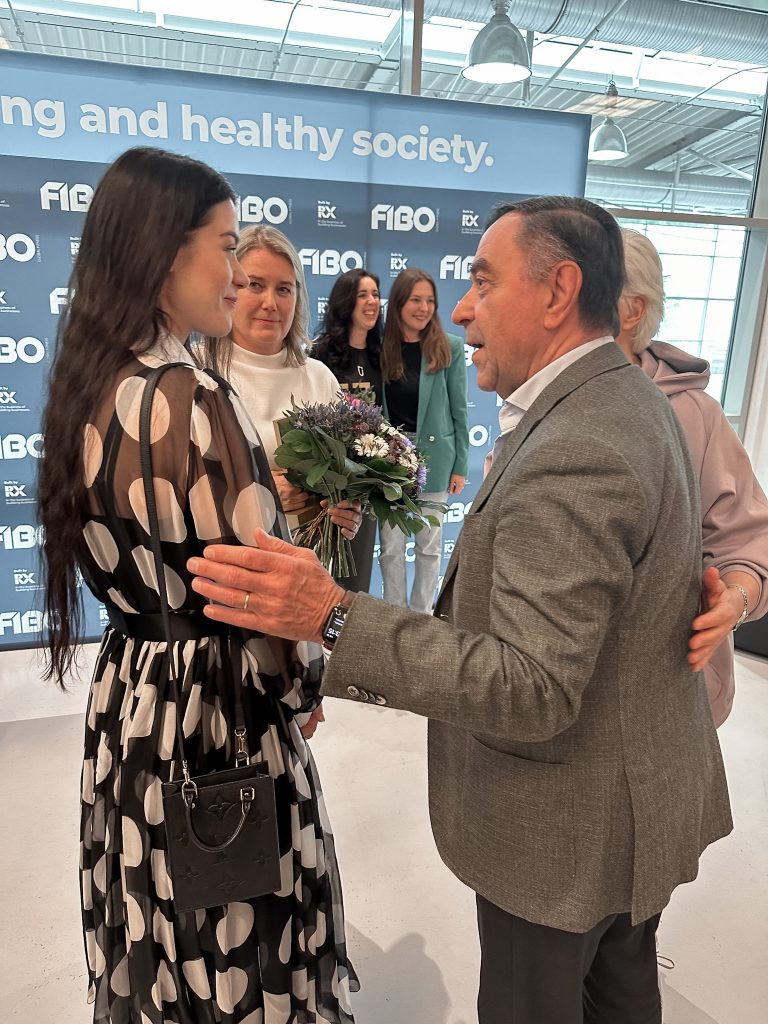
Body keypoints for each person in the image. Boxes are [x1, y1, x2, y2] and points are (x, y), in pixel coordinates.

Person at [188, 196, 733, 1024]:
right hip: (626, 812)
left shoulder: (578, 444)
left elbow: (531, 687)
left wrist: (333, 615)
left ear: (558, 291)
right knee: (621, 994)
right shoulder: (624, 398)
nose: (463, 309)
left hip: (567, 839)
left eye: (483, 281)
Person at [38, 146, 357, 1024]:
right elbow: (258, 589)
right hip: (217, 705)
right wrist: (300, 686)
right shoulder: (194, 396)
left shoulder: (90, 384)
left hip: (134, 696)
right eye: (224, 246)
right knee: (238, 927)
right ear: (166, 250)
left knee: (158, 912)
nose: (234, 272)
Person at [618, 228, 768, 726]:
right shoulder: (531, 401)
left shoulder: (694, 416)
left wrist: (733, 601)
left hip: (662, 699)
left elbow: (746, 541)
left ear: (632, 310)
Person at [203, 224, 360, 543]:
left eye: (284, 289)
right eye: (255, 285)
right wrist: (259, 493)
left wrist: (349, 510)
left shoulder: (319, 378)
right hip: (223, 561)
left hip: (309, 560)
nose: (270, 302)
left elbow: (344, 481)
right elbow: (171, 490)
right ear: (230, 287)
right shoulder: (197, 371)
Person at [377, 268, 469, 612]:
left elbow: (460, 410)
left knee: (429, 547)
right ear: (399, 303)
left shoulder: (449, 347)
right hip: (389, 460)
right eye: (416, 299)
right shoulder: (381, 348)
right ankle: (394, 615)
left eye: (430, 300)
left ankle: (419, 618)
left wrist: (460, 466)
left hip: (436, 459)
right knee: (391, 547)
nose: (424, 307)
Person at [313, 268, 384, 593]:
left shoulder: (380, 354)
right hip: (325, 483)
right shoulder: (320, 354)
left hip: (364, 482)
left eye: (375, 295)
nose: (372, 302)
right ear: (346, 302)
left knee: (358, 573)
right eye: (363, 295)